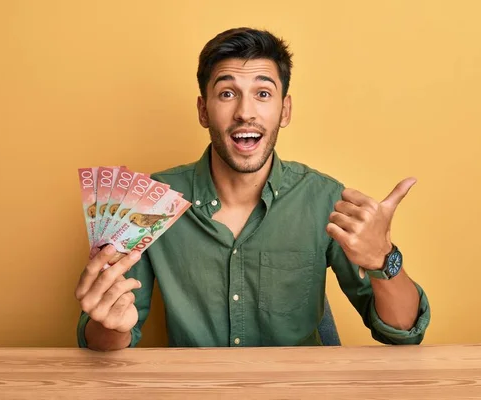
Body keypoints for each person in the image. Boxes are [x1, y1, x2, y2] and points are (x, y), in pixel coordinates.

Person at [75, 27, 431, 351]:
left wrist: (384, 258)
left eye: (263, 93)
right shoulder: (150, 204)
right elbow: (103, 343)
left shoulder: (324, 199)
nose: (245, 112)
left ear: (284, 110)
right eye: (227, 93)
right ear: (203, 110)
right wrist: (112, 327)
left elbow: (401, 331)